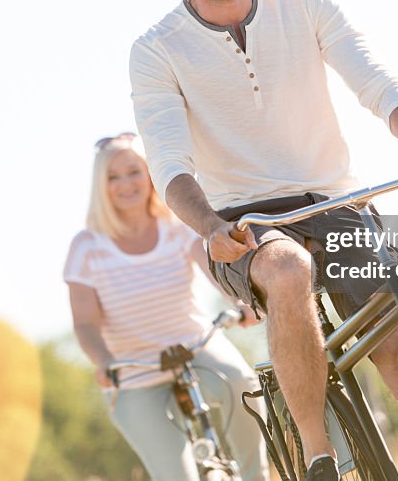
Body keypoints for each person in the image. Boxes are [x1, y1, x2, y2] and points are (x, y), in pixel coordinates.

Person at [129, 0, 398, 481]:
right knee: (288, 271)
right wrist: (211, 228)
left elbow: (375, 82)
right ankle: (319, 454)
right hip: (245, 223)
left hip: (336, 200)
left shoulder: (301, 0)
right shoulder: (157, 50)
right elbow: (169, 162)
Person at [64, 132, 269, 481]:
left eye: (134, 172)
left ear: (149, 174)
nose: (125, 184)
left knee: (241, 385)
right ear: (102, 186)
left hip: (196, 347)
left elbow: (215, 272)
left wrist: (240, 302)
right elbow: (84, 324)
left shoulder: (175, 228)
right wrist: (104, 361)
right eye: (113, 177)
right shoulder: (87, 246)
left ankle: (257, 476)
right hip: (134, 374)